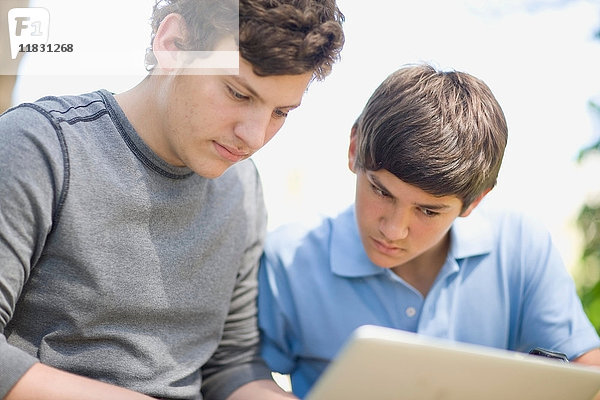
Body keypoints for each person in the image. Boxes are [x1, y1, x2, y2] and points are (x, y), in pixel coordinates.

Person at [0, 0, 344, 399]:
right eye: (237, 93)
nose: (253, 136)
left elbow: (229, 362)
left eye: (281, 112)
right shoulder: (41, 146)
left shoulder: (242, 186)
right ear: (174, 43)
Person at [258, 63, 600, 398]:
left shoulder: (520, 244)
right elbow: (238, 370)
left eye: (428, 210)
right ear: (353, 149)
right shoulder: (288, 258)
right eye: (381, 191)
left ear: (474, 202)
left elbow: (588, 374)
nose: (393, 230)